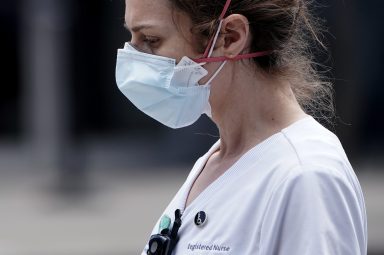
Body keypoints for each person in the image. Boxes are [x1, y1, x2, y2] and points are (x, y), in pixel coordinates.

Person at [116, 0, 368, 254]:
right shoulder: (217, 161)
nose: (134, 57)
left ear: (230, 37)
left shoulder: (305, 176)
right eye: (132, 36)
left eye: (151, 39)